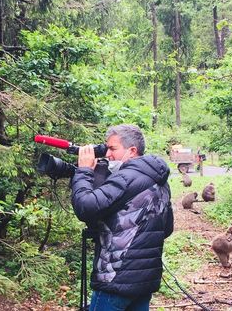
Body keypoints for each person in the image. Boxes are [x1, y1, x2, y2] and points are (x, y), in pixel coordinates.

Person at [71, 124, 174, 311]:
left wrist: (84, 171)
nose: (108, 154)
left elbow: (85, 207)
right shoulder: (161, 182)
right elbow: (166, 229)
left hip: (115, 279)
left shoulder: (125, 178)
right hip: (144, 281)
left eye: (113, 148)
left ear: (132, 150)